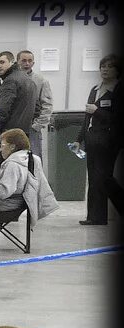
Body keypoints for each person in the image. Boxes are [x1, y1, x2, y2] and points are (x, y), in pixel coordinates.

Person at [0, 129, 59, 228]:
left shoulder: (12, 164)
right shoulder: (31, 159)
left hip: (3, 207)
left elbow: (2, 193)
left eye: (2, 146)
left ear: (12, 147)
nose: (0, 149)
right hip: (19, 205)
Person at [77, 53, 119, 225]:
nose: (105, 69)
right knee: (93, 179)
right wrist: (79, 139)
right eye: (103, 66)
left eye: (109, 66)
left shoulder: (117, 90)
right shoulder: (95, 89)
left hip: (108, 141)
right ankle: (94, 216)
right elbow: (87, 117)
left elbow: (117, 118)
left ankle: (100, 216)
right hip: (92, 139)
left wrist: (97, 111)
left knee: (102, 178)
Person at [0, 51, 37, 171]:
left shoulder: (10, 81)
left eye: (2, 62)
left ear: (12, 62)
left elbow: (2, 111)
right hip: (24, 135)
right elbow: (37, 108)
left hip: (8, 136)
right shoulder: (28, 80)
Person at [15, 50, 53, 159]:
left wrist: (37, 126)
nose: (27, 63)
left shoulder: (41, 81)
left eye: (29, 61)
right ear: (18, 62)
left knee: (34, 160)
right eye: (24, 61)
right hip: (15, 127)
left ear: (33, 63)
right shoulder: (12, 80)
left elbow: (47, 105)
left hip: (32, 128)